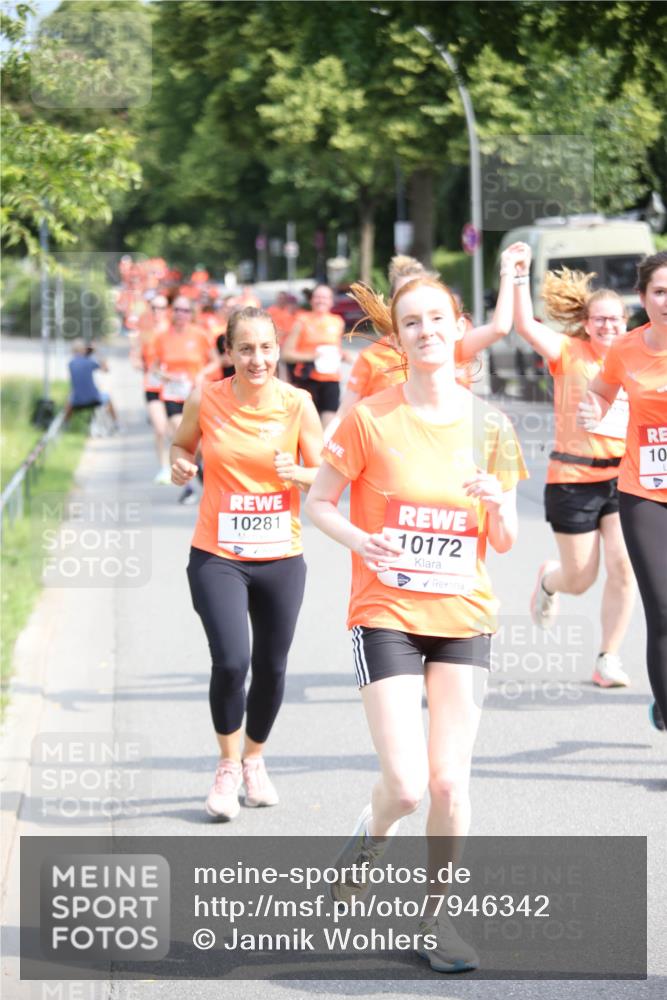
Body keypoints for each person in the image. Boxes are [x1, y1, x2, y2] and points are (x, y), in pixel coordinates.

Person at [305, 276, 527, 972]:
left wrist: (498, 504)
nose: (427, 330)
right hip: (387, 613)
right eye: (411, 322)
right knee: (404, 786)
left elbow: (505, 540)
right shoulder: (370, 417)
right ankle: (369, 837)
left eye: (438, 318)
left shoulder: (490, 425)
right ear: (397, 339)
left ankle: (436, 922)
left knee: (448, 784)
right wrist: (359, 540)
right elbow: (318, 503)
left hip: (462, 614)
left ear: (458, 327)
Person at [170, 306, 323, 819]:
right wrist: (180, 464)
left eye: (266, 348)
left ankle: (254, 759)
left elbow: (325, 476)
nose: (257, 359)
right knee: (233, 660)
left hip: (281, 556)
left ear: (278, 350)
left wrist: (297, 472)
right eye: (246, 349)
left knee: (272, 667)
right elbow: (181, 446)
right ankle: (227, 765)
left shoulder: (298, 404)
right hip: (218, 555)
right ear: (229, 352)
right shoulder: (206, 398)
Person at [513, 245, 636, 688]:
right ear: (587, 323)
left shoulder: (636, 357)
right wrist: (517, 275)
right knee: (580, 579)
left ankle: (608, 658)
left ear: (627, 321)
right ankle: (550, 581)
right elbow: (525, 326)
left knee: (623, 567)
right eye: (600, 319)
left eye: (615, 319)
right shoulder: (569, 352)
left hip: (623, 478)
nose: (608, 326)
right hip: (573, 480)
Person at [577, 251, 667, 730]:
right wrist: (593, 410)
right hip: (645, 491)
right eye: (660, 291)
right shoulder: (626, 349)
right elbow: (600, 392)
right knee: (663, 610)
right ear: (643, 298)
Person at [327, 251, 520, 439]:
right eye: (406, 291)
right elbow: (343, 415)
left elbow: (499, 328)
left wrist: (508, 272)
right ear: (393, 303)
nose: (426, 332)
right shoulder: (371, 357)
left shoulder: (446, 344)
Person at [280, 284, 354, 429]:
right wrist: (312, 356)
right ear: (311, 300)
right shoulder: (302, 321)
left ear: (331, 301)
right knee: (309, 427)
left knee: (329, 428)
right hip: (308, 379)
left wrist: (343, 355)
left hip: (331, 379)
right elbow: (286, 354)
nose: (321, 300)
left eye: (325, 297)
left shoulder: (337, 322)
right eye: (318, 297)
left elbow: (336, 348)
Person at [133, 295, 171, 484]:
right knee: (160, 428)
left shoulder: (174, 329)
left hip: (174, 386)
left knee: (176, 429)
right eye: (154, 307)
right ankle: (164, 468)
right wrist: (140, 364)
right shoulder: (145, 332)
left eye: (161, 308)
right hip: (153, 384)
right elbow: (135, 356)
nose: (157, 311)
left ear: (167, 309)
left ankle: (180, 464)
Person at [64, 340, 119, 429]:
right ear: (83, 350)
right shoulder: (89, 362)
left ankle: (66, 424)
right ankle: (116, 423)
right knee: (108, 398)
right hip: (94, 399)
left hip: (77, 401)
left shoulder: (71, 364)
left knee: (69, 400)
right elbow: (106, 369)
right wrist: (97, 351)